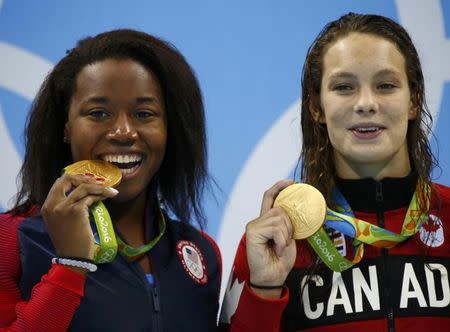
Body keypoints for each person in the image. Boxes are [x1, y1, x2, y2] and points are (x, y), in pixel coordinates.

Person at [219, 13, 450, 331]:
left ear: (414, 99)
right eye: (344, 87)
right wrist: (265, 290)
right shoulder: (278, 239)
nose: (366, 103)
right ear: (317, 107)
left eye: (385, 85)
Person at [0, 29, 221, 331]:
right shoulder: (11, 240)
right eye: (99, 113)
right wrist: (70, 267)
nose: (124, 132)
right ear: (66, 126)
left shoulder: (200, 253)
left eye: (144, 114)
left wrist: (263, 291)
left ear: (170, 129)